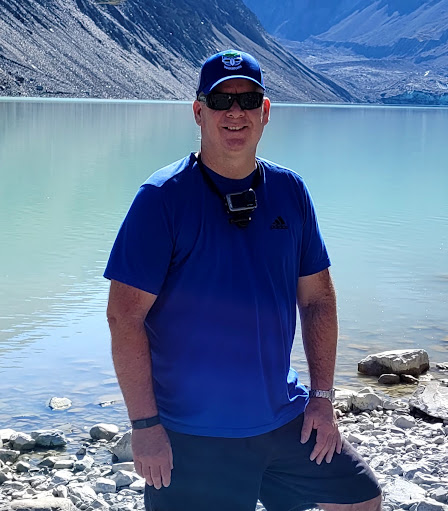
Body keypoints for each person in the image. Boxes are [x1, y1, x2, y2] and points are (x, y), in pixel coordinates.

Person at [105, 49, 382, 511]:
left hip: (283, 418)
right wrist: (146, 426)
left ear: (265, 111)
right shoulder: (161, 198)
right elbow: (124, 317)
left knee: (360, 498)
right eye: (221, 101)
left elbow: (317, 300)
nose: (235, 112)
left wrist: (321, 397)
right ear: (198, 112)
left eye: (248, 100)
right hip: (194, 433)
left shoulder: (290, 191)